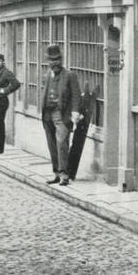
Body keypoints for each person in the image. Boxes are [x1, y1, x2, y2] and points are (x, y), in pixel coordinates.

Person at [41, 44, 85, 186]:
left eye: (57, 59)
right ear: (48, 61)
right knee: (52, 145)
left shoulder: (70, 75)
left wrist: (75, 112)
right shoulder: (47, 75)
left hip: (61, 114)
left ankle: (64, 175)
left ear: (61, 59)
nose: (55, 63)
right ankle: (56, 173)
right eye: (52, 60)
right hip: (48, 114)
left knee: (62, 143)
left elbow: (76, 96)